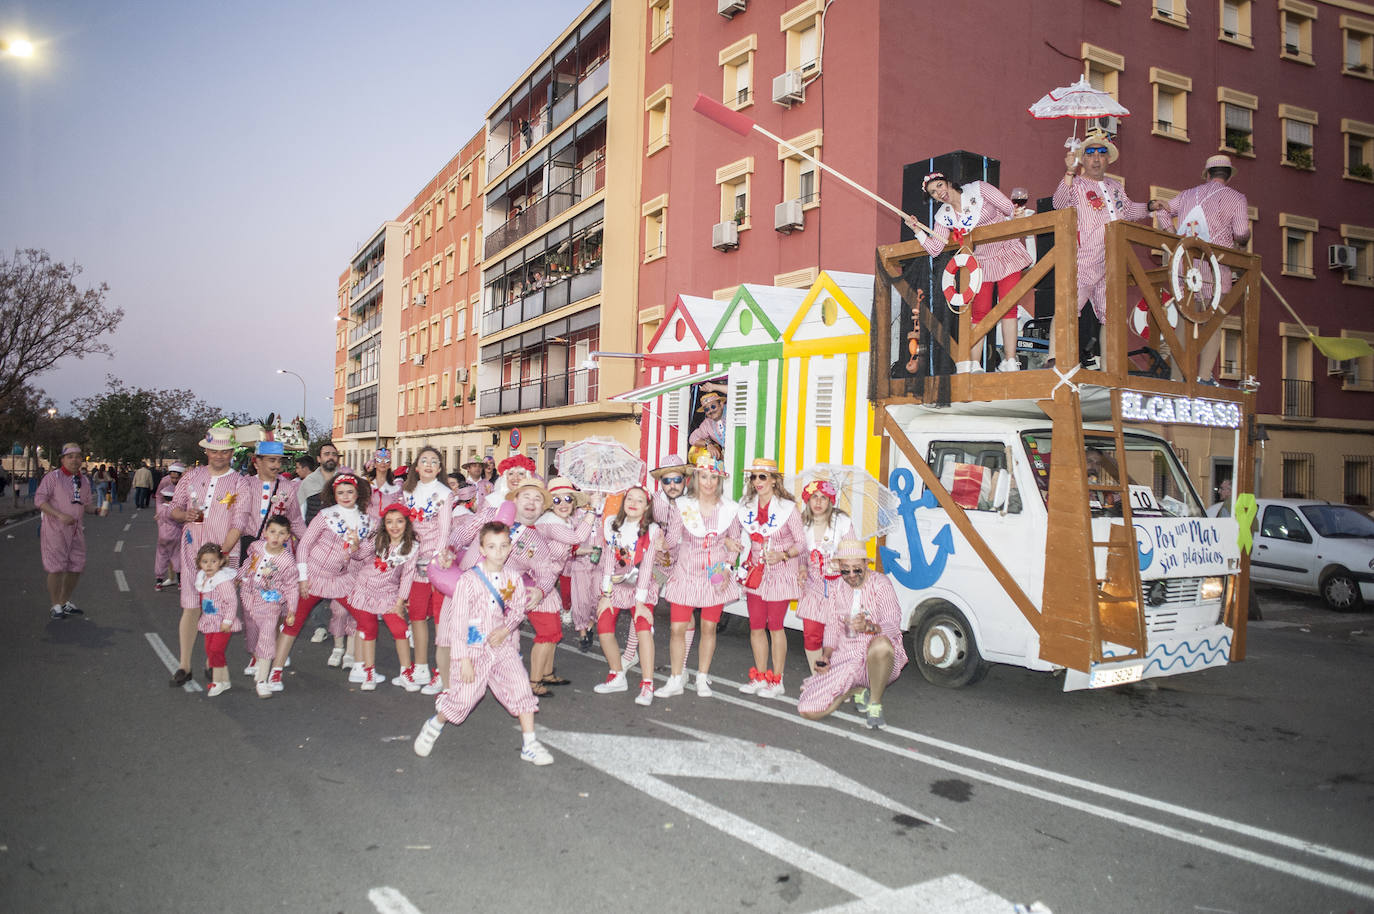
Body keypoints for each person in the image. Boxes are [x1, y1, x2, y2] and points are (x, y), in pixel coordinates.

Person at [413, 522, 554, 766]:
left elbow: (517, 610)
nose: (498, 551)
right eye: (492, 546)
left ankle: (530, 743)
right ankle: (434, 725)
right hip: (473, 646)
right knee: (464, 698)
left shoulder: (513, 579)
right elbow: (458, 623)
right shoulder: (469, 580)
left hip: (501, 645)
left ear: (510, 547)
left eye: (503, 546)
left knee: (520, 687)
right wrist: (464, 659)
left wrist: (506, 630)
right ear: (482, 548)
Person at [905, 172, 1031, 372]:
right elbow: (936, 248)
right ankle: (973, 365)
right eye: (933, 193)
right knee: (979, 312)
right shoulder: (943, 215)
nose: (939, 192)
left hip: (1007, 252)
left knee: (1009, 306)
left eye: (939, 186)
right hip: (980, 262)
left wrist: (1017, 218)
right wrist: (917, 231)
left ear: (947, 182)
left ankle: (1010, 361)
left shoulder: (979, 189)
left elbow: (1009, 209)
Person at [1052, 131, 1156, 367]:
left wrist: (1150, 207)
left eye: (1101, 153)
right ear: (1083, 159)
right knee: (1068, 307)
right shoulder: (1076, 184)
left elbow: (1128, 211)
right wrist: (1069, 171)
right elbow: (1058, 204)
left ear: (1108, 159)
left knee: (1111, 316)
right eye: (1090, 153)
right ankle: (1054, 358)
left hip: (1113, 259)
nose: (1096, 158)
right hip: (1084, 257)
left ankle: (1110, 368)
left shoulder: (1116, 186)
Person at [1151, 154, 1251, 384]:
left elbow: (1162, 209)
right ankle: (1204, 376)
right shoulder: (1236, 198)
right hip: (1216, 267)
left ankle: (1176, 378)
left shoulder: (1188, 195)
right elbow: (1241, 232)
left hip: (1186, 265)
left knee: (1186, 320)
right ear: (1227, 175)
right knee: (1213, 321)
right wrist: (1243, 242)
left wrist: (1174, 235)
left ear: (1207, 174)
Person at [268, 473, 373, 691]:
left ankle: (363, 668)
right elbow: (305, 545)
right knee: (292, 622)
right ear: (333, 494)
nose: (345, 496)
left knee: (366, 619)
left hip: (342, 580)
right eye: (340, 492)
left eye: (349, 491)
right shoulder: (325, 515)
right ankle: (275, 671)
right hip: (314, 577)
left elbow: (364, 554)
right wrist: (303, 578)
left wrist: (356, 548)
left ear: (357, 493)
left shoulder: (366, 520)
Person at [797, 538, 908, 729]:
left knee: (881, 645)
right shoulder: (836, 588)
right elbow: (832, 627)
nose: (851, 575)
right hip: (846, 659)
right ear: (839, 567)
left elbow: (892, 623)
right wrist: (826, 656)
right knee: (808, 710)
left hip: (878, 659)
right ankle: (852, 689)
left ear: (866, 564)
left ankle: (874, 702)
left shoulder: (881, 584)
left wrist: (869, 627)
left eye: (857, 568)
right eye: (845, 569)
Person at [659, 453, 742, 697]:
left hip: (715, 571)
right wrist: (660, 542)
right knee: (677, 628)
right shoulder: (683, 506)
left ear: (719, 480)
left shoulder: (730, 508)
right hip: (685, 571)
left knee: (709, 627)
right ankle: (676, 677)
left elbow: (734, 542)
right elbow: (673, 540)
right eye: (704, 476)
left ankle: (702, 678)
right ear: (696, 477)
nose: (708, 482)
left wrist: (727, 567)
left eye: (713, 477)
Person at [168, 427, 244, 686]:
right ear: (206, 451)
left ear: (232, 452)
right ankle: (184, 665)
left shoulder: (239, 482)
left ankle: (213, 661)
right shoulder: (192, 476)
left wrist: (221, 556)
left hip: (223, 557)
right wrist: (183, 515)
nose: (219, 455)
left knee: (219, 609)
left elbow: (239, 522)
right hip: (191, 553)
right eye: (214, 450)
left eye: (225, 451)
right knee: (190, 607)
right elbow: (173, 509)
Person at [736, 458, 804, 699]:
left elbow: (802, 542)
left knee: (775, 626)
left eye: (762, 476)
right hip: (756, 572)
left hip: (780, 572)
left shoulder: (788, 508)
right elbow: (740, 537)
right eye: (753, 477)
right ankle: (760, 676)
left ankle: (778, 680)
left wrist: (784, 554)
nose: (757, 482)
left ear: (774, 480)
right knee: (755, 626)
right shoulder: (746, 507)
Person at [591, 486, 661, 705]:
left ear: (647, 506)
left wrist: (640, 604)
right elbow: (610, 562)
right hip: (618, 587)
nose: (633, 503)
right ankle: (617, 674)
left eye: (639, 500)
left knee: (643, 628)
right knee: (603, 627)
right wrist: (606, 595)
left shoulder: (652, 529)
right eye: (629, 498)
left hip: (642, 587)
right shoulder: (613, 525)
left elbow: (647, 567)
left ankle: (648, 684)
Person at [344, 503, 419, 691]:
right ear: (384, 524)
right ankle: (369, 673)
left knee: (401, 630)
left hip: (389, 594)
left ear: (407, 523)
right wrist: (354, 544)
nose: (394, 526)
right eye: (389, 522)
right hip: (364, 590)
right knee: (368, 630)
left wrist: (400, 603)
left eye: (399, 521)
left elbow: (408, 575)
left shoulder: (412, 547)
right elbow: (360, 555)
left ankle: (405, 673)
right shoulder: (377, 539)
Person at [395, 446, 452, 693]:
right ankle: (420, 667)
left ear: (439, 469)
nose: (429, 464)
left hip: (438, 561)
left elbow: (445, 530)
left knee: (440, 617)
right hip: (413, 558)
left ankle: (441, 671)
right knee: (417, 614)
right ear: (416, 466)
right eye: (424, 460)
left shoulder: (445, 493)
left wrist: (436, 559)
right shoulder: (407, 492)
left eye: (434, 461)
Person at [530, 477, 593, 693]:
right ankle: (534, 681)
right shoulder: (549, 522)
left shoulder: (562, 521)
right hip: (536, 584)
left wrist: (588, 551)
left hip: (548, 584)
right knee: (547, 634)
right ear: (550, 503)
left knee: (554, 632)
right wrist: (593, 512)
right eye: (556, 500)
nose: (563, 503)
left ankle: (546, 674)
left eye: (568, 498)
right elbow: (575, 537)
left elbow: (565, 548)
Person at [34, 444, 98, 619]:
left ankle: (64, 601)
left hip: (76, 529)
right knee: (56, 567)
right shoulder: (52, 477)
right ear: (62, 459)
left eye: (78, 456)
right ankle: (55, 605)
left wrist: (98, 510)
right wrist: (59, 515)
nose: (75, 460)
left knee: (76, 566)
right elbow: (40, 500)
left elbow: (86, 505)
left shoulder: (84, 480)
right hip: (55, 529)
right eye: (70, 456)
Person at [237, 515, 299, 698]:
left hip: (271, 602)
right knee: (252, 632)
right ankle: (255, 658)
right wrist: (240, 577)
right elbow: (248, 563)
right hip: (249, 595)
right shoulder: (256, 547)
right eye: (272, 532)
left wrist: (292, 610)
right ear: (265, 532)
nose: (275, 537)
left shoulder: (287, 561)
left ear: (287, 537)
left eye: (281, 534)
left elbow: (291, 587)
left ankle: (262, 679)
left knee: (267, 636)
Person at [797, 479, 853, 674]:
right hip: (813, 589)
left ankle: (836, 680)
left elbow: (853, 553)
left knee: (837, 638)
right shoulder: (801, 523)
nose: (818, 502)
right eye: (814, 497)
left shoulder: (842, 522)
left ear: (830, 501)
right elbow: (800, 553)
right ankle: (817, 678)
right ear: (808, 500)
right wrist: (802, 567)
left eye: (823, 498)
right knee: (811, 635)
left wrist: (840, 562)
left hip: (839, 589)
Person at [236, 440, 306, 566]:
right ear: (258, 462)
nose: (277, 465)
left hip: (277, 553)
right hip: (250, 551)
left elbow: (295, 521)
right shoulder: (245, 485)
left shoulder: (287, 487)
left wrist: (310, 542)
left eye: (279, 461)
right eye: (272, 460)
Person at [194, 543, 241, 698]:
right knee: (210, 650)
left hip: (222, 622)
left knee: (215, 650)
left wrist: (227, 621)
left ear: (221, 561)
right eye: (205, 562)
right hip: (210, 622)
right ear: (199, 563)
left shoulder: (222, 581)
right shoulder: (203, 579)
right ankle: (225, 680)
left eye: (213, 561)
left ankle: (217, 681)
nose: (209, 565)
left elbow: (231, 601)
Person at [154, 463, 186, 591]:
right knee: (176, 554)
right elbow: (158, 497)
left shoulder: (186, 483)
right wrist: (159, 511)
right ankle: (175, 579)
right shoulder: (164, 481)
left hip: (168, 527)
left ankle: (161, 580)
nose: (173, 481)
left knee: (164, 554)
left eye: (176, 478)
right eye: (172, 478)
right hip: (174, 526)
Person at [297, 442, 342, 525]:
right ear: (319, 459)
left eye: (334, 454)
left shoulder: (344, 481)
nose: (331, 457)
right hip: (313, 531)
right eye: (326, 454)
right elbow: (300, 511)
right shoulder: (309, 481)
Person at [687, 390, 728, 460]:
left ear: (721, 404)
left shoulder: (731, 413)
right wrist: (708, 444)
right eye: (706, 409)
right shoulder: (707, 423)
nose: (710, 411)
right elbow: (692, 438)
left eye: (713, 406)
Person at [364, 448, 400, 517]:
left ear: (390, 464)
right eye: (379, 460)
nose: (383, 463)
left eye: (386, 460)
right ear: (374, 463)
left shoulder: (396, 487)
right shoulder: (366, 484)